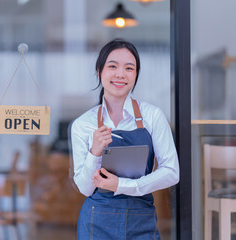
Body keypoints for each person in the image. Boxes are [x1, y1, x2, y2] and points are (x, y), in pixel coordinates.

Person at [70, 39, 180, 239]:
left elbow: (172, 172)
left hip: (141, 219)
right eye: (112, 66)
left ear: (136, 74)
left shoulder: (152, 116)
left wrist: (122, 185)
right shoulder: (83, 125)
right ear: (99, 71)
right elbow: (86, 189)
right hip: (96, 221)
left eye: (129, 68)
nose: (120, 74)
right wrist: (94, 152)